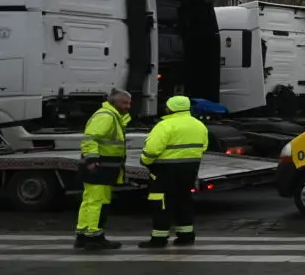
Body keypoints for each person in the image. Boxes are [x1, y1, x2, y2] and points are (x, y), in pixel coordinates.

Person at [137, 95, 209, 249]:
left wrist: (145, 161)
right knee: (184, 200)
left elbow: (152, 149)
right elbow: (203, 147)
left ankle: (159, 238)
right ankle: (186, 235)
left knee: (161, 203)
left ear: (170, 108)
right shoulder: (199, 125)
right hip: (190, 169)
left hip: (164, 171)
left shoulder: (165, 125)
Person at [74, 88, 132, 250]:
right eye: (124, 103)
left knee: (90, 201)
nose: (128, 106)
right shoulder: (107, 116)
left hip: (101, 168)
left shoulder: (110, 115)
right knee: (98, 202)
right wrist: (92, 159)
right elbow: (90, 139)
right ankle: (94, 237)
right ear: (114, 102)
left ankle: (83, 235)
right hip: (100, 168)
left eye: (129, 103)